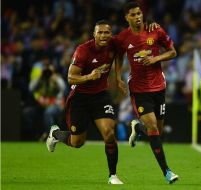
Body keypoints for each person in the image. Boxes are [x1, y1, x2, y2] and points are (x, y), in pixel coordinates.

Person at [46, 20, 124, 184]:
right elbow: (70, 77)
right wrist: (89, 76)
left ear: (111, 34)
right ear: (94, 34)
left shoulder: (114, 44)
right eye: (100, 32)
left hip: (101, 95)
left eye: (107, 32)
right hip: (80, 98)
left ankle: (113, 175)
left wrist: (118, 77)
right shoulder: (83, 50)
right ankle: (55, 134)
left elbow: (123, 51)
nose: (103, 35)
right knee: (77, 142)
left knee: (109, 133)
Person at [115, 1, 179, 184]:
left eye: (139, 13)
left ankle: (137, 127)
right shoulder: (123, 38)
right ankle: (167, 171)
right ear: (126, 17)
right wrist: (118, 77)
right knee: (153, 127)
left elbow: (173, 52)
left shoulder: (156, 30)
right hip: (139, 89)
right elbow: (118, 56)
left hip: (159, 86)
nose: (137, 17)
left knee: (157, 132)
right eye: (133, 14)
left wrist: (155, 58)